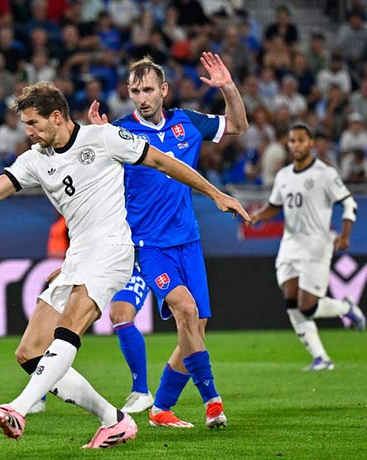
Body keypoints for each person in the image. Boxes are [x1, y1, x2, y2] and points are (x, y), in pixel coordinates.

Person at [0, 81, 249, 447]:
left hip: (111, 250)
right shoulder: (35, 159)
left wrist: (216, 193)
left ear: (56, 116)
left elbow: (163, 162)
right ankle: (114, 419)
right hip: (78, 255)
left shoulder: (103, 138)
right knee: (29, 352)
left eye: (33, 123)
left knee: (70, 324)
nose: (28, 131)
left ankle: (18, 409)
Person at [88, 52, 249, 426]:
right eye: (134, 90)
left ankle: (160, 407)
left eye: (147, 89)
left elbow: (238, 125)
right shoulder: (122, 133)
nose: (141, 97)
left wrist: (228, 87)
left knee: (195, 328)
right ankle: (213, 402)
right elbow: (91, 170)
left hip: (188, 240)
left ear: (163, 90)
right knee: (186, 311)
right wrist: (97, 139)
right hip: (149, 245)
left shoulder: (187, 123)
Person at [249, 123, 364, 370]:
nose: (296, 145)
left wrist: (345, 235)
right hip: (290, 246)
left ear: (311, 143)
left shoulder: (325, 173)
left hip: (317, 245)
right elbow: (274, 206)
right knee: (292, 301)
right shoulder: (283, 176)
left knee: (307, 306)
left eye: (301, 140)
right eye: (292, 141)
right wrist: (257, 216)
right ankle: (321, 358)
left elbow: (349, 204)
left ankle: (346, 307)